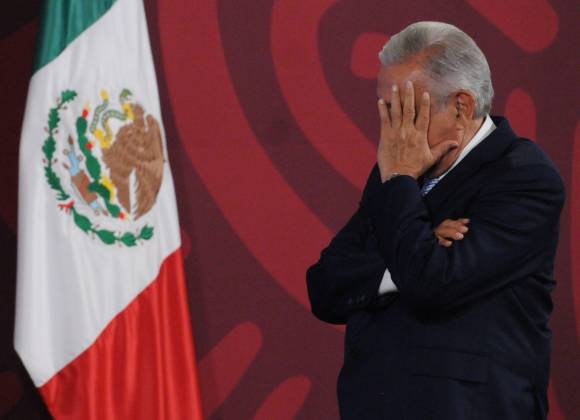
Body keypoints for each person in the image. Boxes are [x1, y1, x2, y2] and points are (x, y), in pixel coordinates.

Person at [306, 21, 565, 420]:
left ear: (461, 106)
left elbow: (432, 283)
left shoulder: (523, 178)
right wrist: (409, 256)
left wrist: (401, 192)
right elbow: (325, 285)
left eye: (404, 110)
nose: (391, 129)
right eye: (385, 109)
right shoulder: (396, 173)